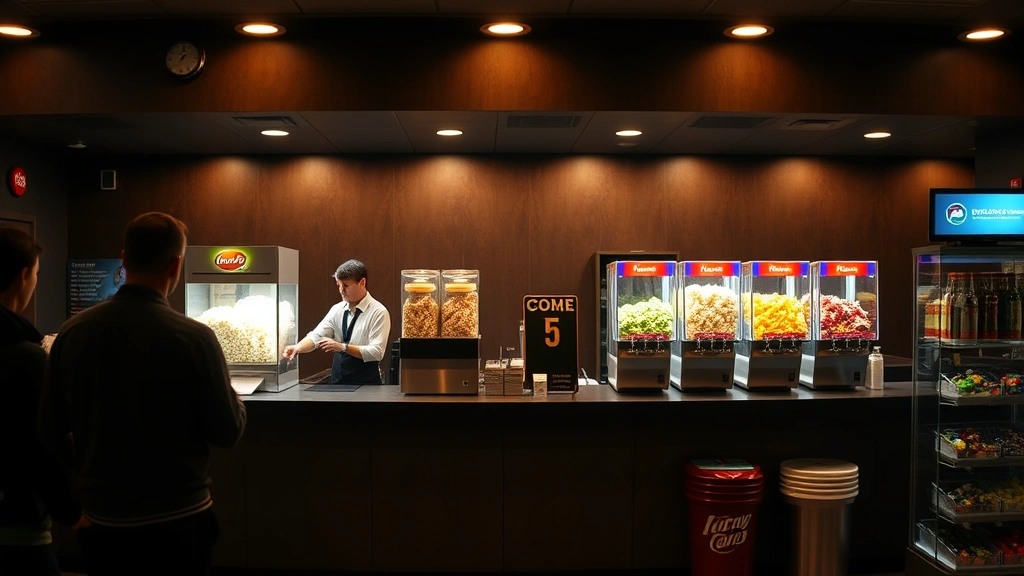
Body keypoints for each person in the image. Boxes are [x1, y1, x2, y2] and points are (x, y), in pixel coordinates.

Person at [38, 212, 246, 576]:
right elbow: (227, 432)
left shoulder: (72, 333)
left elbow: (48, 432)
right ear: (175, 265)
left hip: (103, 522)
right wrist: (234, 395)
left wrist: (72, 506)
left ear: (123, 259)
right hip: (180, 520)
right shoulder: (195, 338)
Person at [0, 228, 79, 576]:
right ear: (23, 276)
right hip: (18, 530)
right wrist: (73, 511)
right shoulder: (27, 357)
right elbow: (40, 446)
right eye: (36, 274)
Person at [283, 259, 391, 384]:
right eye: (338, 285)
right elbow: (317, 336)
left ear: (362, 282)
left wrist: (343, 347)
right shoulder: (337, 309)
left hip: (366, 385)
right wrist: (297, 348)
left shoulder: (378, 312)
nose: (341, 290)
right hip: (337, 383)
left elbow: (376, 353)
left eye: (346, 285)